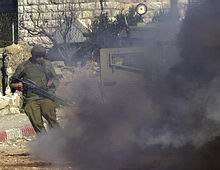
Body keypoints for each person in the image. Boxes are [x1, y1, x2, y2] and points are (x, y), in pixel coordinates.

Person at [10, 44, 60, 134]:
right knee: (37, 124)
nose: (40, 59)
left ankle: (60, 140)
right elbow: (12, 82)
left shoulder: (47, 64)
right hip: (31, 99)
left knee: (52, 120)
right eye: (37, 56)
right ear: (32, 55)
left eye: (42, 56)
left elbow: (56, 79)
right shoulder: (24, 66)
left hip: (46, 96)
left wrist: (51, 83)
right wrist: (17, 85)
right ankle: (44, 143)